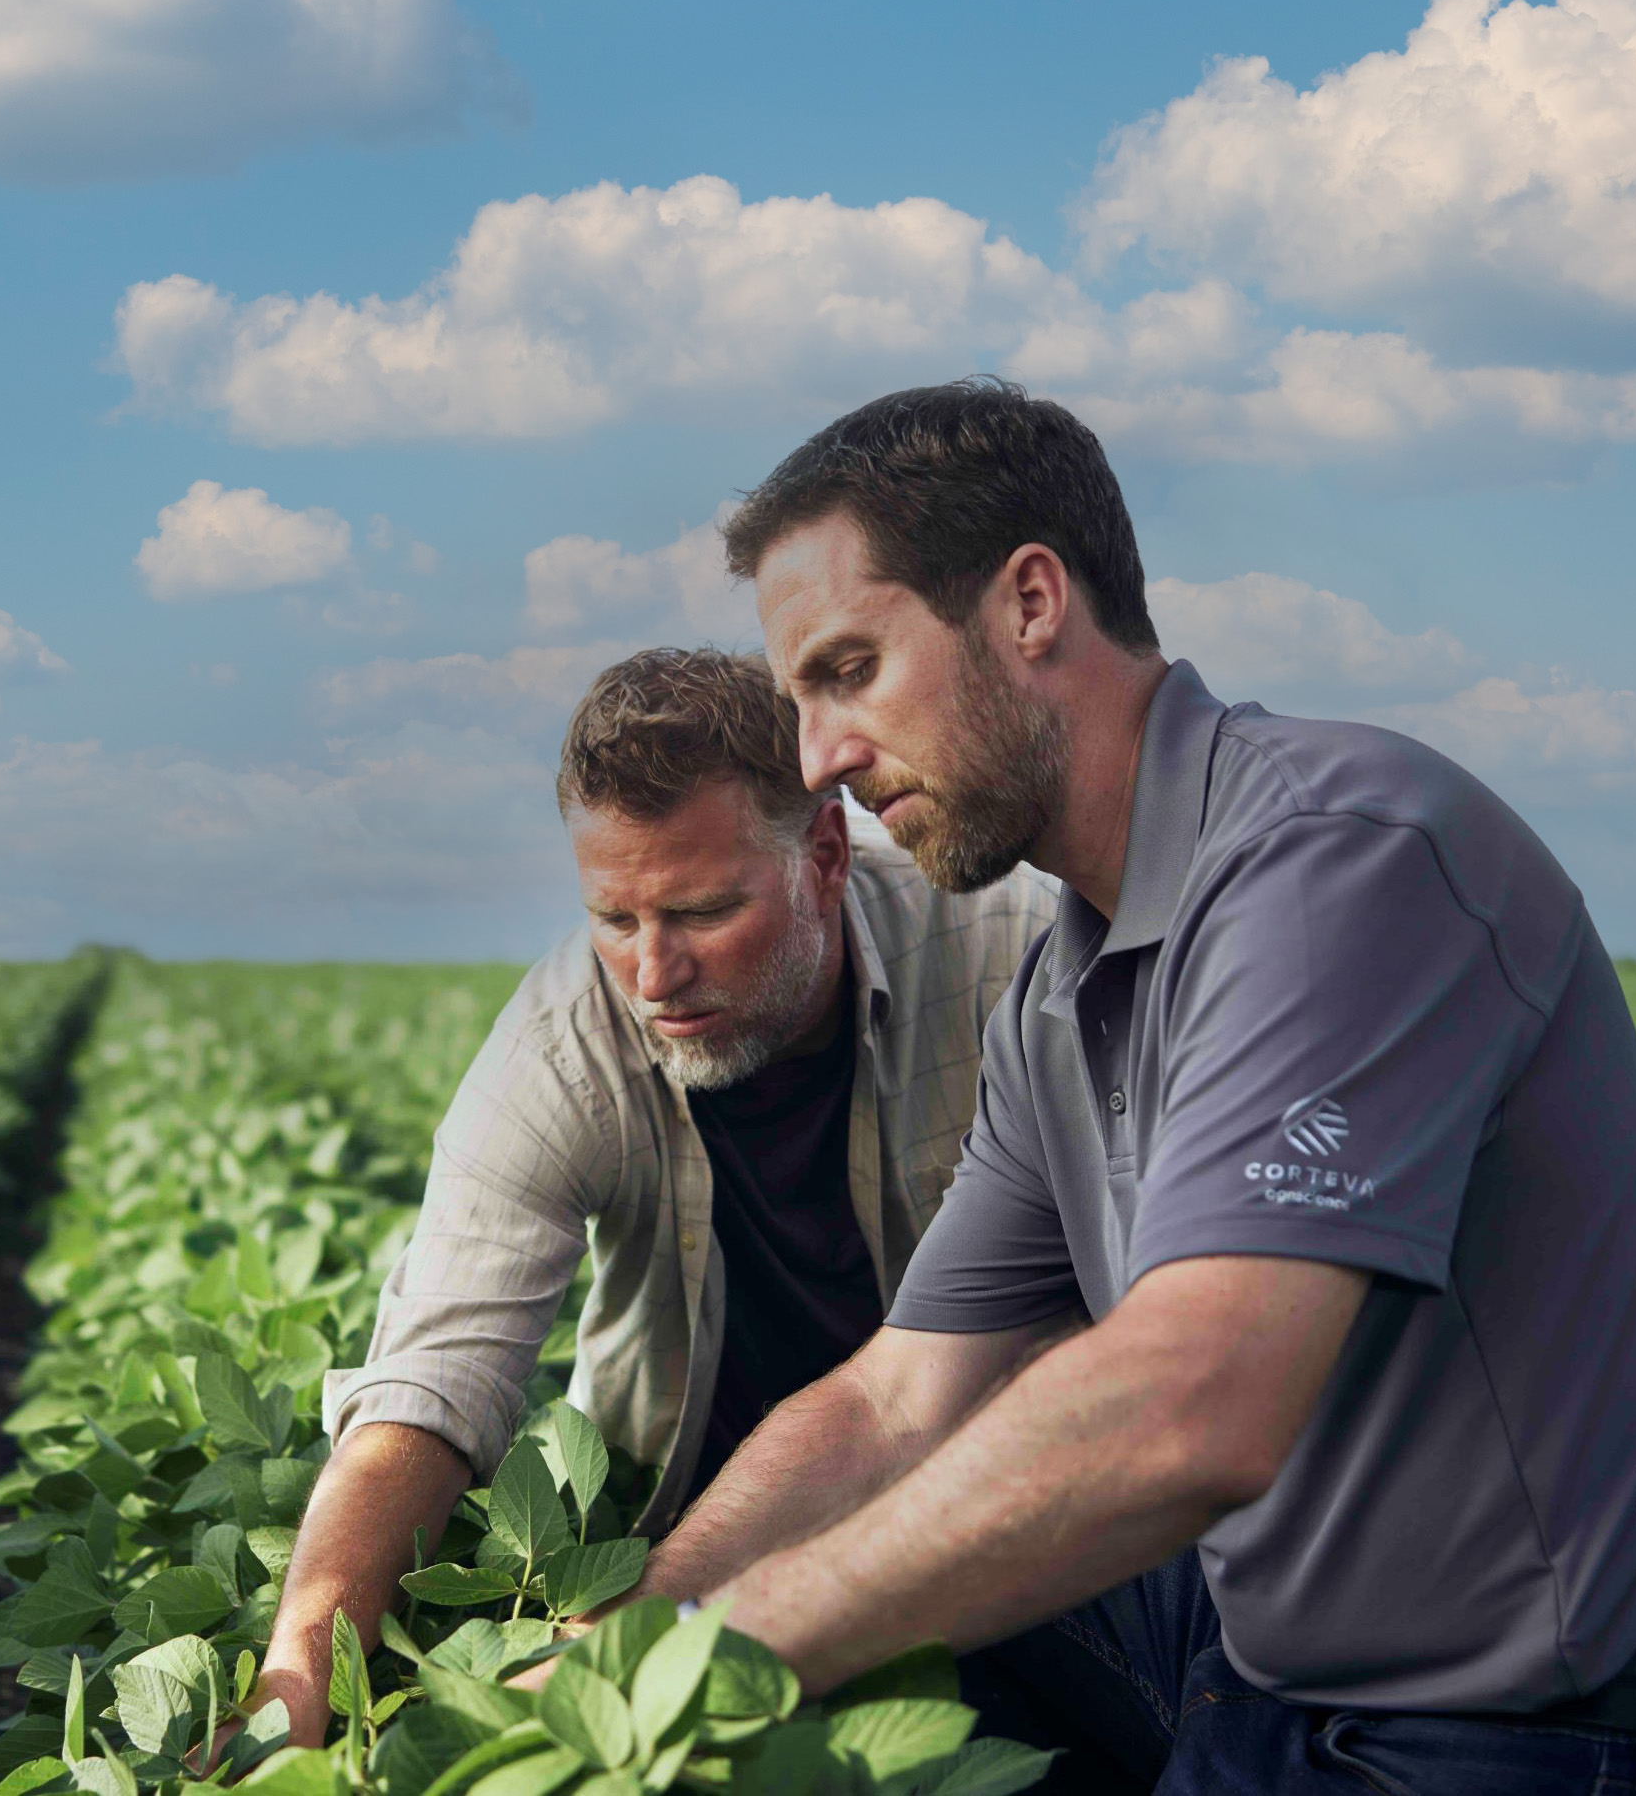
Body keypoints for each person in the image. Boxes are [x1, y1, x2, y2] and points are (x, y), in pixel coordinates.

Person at [631, 379, 1636, 1795]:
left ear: (1029, 601)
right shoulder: (1062, 985)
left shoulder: (1340, 853)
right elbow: (895, 1400)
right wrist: (631, 1642)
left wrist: (734, 1642)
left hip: (1559, 1725)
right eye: (797, 699)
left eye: (846, 669)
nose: (816, 759)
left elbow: (1191, 1404)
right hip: (1267, 1664)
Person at [256, 644, 1056, 1746]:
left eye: (700, 910)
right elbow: (430, 1379)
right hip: (677, 1530)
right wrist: (297, 1678)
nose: (651, 973)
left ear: (823, 853)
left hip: (990, 1503)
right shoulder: (561, 1041)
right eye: (615, 917)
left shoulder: (1010, 948)